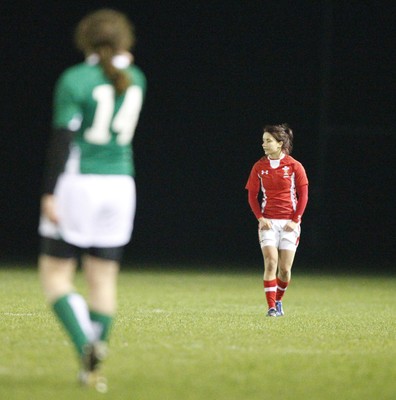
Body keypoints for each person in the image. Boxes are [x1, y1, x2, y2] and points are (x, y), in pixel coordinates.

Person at [38, 8, 147, 391]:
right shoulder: (135, 79)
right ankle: (91, 369)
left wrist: (49, 192)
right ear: (125, 42)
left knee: (55, 275)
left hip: (80, 183)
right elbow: (119, 73)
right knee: (103, 280)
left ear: (85, 40)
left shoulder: (76, 79)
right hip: (121, 185)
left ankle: (86, 343)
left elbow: (62, 139)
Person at [245, 124, 308, 317]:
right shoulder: (259, 166)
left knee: (284, 270)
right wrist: (260, 218)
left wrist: (295, 219)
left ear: (280, 143)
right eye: (264, 140)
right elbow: (252, 196)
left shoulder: (294, 166)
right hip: (269, 223)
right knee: (271, 262)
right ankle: (271, 307)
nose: (264, 144)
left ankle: (278, 300)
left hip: (289, 224)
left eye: (268, 141)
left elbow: (303, 195)